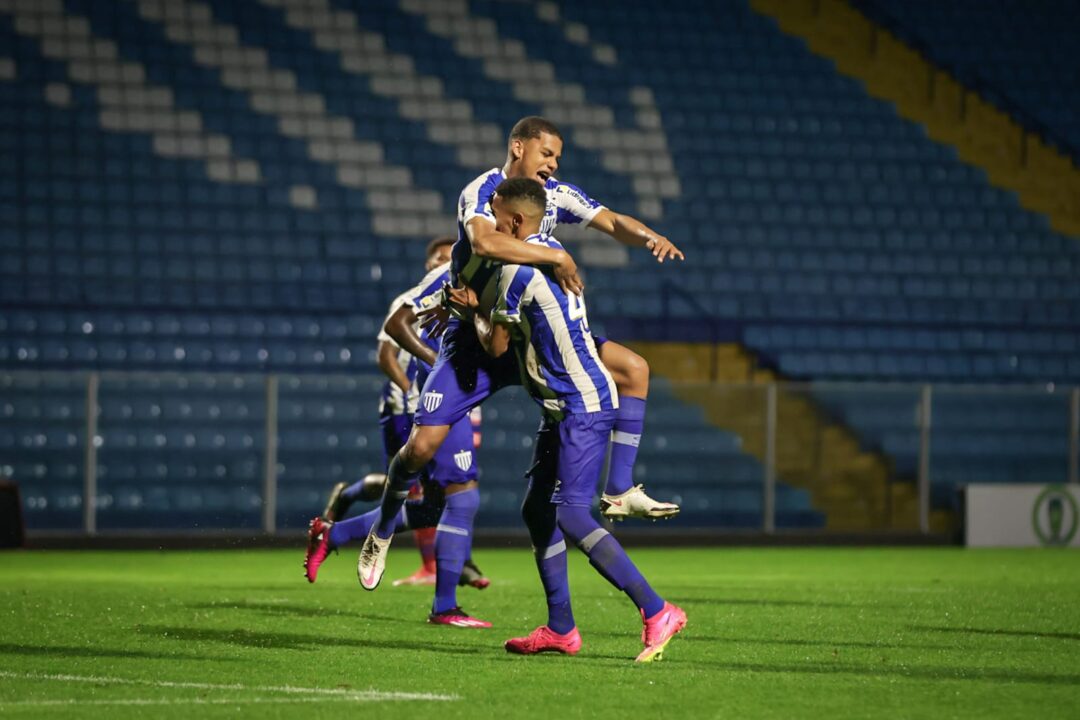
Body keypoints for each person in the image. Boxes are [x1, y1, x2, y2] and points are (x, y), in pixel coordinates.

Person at [358, 116, 683, 590]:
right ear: (518, 147)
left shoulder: (555, 197)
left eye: (557, 157)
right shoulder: (483, 190)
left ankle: (619, 490)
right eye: (546, 153)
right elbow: (485, 241)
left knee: (632, 369)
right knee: (420, 448)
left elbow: (611, 221)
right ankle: (383, 527)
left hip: (528, 334)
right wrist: (557, 256)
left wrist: (649, 235)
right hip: (474, 337)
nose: (552, 164)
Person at [455, 177, 686, 662]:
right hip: (567, 403)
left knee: (573, 515)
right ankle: (561, 627)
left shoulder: (515, 273)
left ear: (515, 221)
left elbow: (494, 344)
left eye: (495, 212)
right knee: (538, 512)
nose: (488, 220)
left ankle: (656, 609)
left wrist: (472, 312)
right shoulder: (551, 251)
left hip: (581, 405)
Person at [304, 237, 489, 606]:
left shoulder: (462, 299)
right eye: (440, 258)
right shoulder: (414, 300)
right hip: (412, 406)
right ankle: (443, 583)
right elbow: (388, 350)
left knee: (435, 501)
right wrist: (411, 389)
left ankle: (337, 532)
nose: (446, 263)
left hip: (449, 403)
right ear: (429, 264)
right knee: (440, 492)